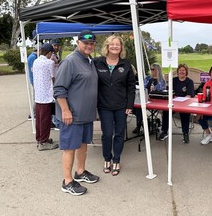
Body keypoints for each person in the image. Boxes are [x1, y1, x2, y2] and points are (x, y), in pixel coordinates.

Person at [53, 30, 99, 196]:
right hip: (71, 116)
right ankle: (67, 181)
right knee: (70, 148)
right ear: (78, 42)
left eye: (92, 43)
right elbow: (59, 89)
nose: (89, 46)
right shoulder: (71, 61)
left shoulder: (89, 61)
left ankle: (80, 172)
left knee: (83, 145)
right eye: (85, 43)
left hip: (86, 115)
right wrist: (65, 110)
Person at [94, 35, 136, 176]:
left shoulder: (126, 64)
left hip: (121, 106)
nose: (114, 47)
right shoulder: (97, 63)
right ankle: (107, 159)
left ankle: (116, 160)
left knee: (119, 134)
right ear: (107, 46)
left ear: (121, 47)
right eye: (112, 44)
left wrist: (130, 104)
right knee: (107, 134)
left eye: (117, 44)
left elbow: (131, 87)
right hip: (104, 105)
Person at [159, 64, 195, 143]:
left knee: (185, 114)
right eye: (180, 70)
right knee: (166, 111)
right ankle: (164, 131)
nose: (182, 72)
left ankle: (185, 133)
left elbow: (189, 95)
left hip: (184, 103)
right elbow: (169, 92)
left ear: (186, 72)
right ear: (177, 72)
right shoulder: (173, 80)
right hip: (173, 102)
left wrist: (181, 100)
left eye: (183, 70)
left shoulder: (189, 82)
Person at [33, 43, 59, 151]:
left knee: (39, 118)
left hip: (38, 94)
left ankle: (40, 138)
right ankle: (44, 142)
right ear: (49, 53)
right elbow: (53, 77)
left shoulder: (36, 61)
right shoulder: (49, 62)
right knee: (45, 119)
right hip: (46, 94)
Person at [132, 63, 166, 134]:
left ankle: (141, 124)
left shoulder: (161, 80)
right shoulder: (147, 78)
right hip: (145, 98)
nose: (151, 71)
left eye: (153, 69)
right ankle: (141, 123)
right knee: (137, 107)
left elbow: (162, 90)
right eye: (151, 69)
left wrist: (154, 89)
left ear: (158, 70)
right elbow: (142, 87)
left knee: (140, 108)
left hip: (156, 100)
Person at [27, 45, 38, 120]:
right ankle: (32, 114)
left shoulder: (32, 56)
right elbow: (33, 69)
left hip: (34, 79)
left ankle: (33, 113)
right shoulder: (33, 57)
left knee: (36, 96)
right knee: (37, 97)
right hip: (35, 80)